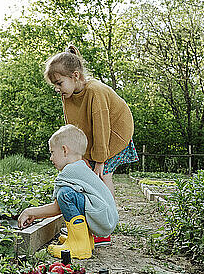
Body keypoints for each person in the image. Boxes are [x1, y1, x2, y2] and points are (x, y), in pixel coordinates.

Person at [44, 45, 138, 245]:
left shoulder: (95, 91)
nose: (57, 89)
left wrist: (100, 160)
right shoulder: (68, 95)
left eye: (59, 83)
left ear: (75, 76)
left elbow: (102, 127)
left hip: (114, 134)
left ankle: (104, 228)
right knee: (87, 173)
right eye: (55, 85)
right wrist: (81, 156)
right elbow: (73, 129)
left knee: (102, 175)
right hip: (95, 138)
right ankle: (87, 223)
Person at [17, 124, 118, 259]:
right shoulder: (81, 167)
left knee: (65, 194)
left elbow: (57, 207)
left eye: (52, 152)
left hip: (103, 219)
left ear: (64, 150)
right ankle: (84, 240)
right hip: (106, 218)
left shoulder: (69, 171)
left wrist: (30, 212)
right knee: (71, 195)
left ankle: (79, 246)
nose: (51, 158)